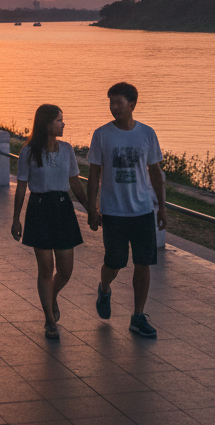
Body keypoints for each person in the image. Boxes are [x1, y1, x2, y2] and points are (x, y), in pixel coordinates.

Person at [86, 81, 166, 339]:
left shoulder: (147, 133)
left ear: (132, 104)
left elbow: (155, 172)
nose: (114, 107)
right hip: (113, 212)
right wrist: (92, 209)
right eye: (111, 102)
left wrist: (161, 207)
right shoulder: (102, 134)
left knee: (143, 264)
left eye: (118, 102)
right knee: (115, 262)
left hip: (142, 210)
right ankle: (104, 288)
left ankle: (138, 316)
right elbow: (94, 174)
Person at [11, 104, 90, 340]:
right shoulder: (28, 152)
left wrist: (91, 210)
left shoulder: (67, 150)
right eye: (59, 120)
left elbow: (75, 183)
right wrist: (16, 219)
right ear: (47, 125)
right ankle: (49, 320)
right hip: (39, 209)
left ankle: (52, 296)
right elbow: (21, 187)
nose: (63, 124)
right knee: (45, 269)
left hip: (63, 208)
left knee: (65, 270)